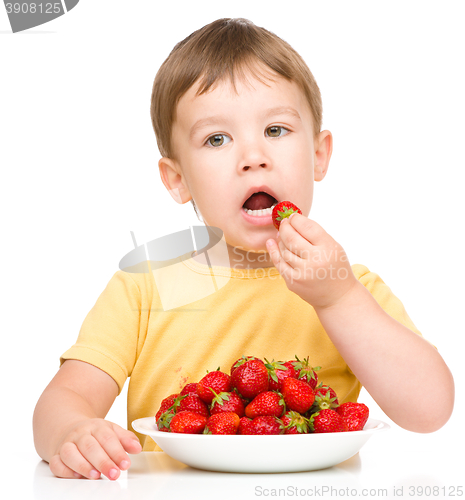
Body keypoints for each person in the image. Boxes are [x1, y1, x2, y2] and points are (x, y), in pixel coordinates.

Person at [33, 18, 454, 481]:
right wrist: (72, 430)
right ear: (178, 180)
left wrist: (338, 298)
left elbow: (430, 408)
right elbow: (63, 399)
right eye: (217, 139)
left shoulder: (351, 287)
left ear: (319, 155)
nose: (253, 156)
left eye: (276, 130)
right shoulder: (144, 289)